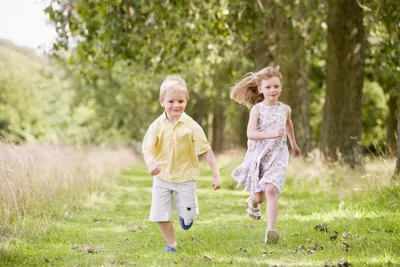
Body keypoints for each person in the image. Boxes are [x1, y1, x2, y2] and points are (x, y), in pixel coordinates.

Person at [142, 75, 222, 253]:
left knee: (188, 216)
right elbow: (146, 150)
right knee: (159, 215)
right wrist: (150, 164)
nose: (176, 105)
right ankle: (171, 244)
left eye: (180, 100)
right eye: (171, 101)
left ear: (186, 101)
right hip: (162, 176)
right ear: (162, 101)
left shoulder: (192, 126)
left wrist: (216, 174)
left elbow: (206, 150)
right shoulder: (156, 126)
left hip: (186, 177)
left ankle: (186, 217)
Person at [230, 66, 301, 244]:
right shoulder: (257, 109)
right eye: (268, 87)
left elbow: (288, 124)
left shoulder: (286, 109)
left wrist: (293, 143)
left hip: (278, 154)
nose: (273, 90)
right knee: (259, 197)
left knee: (271, 189)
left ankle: (271, 230)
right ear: (260, 89)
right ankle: (253, 203)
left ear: (281, 87)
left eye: (276, 86)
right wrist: (271, 134)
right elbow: (251, 134)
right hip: (258, 155)